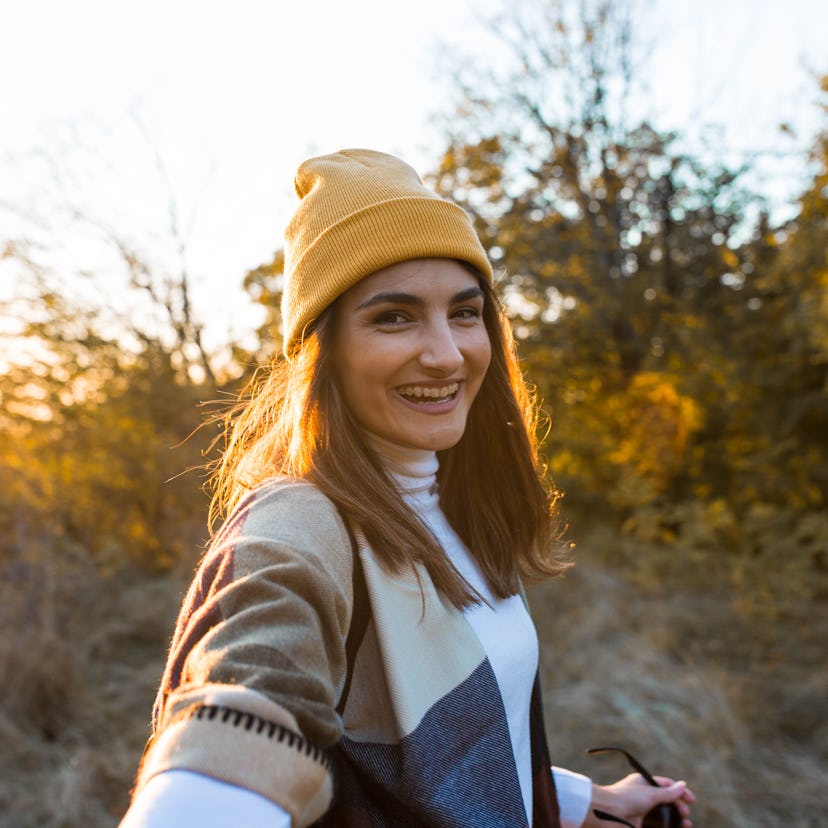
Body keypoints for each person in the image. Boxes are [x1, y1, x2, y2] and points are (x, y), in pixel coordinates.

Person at [120, 149, 695, 828]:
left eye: (464, 312)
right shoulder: (296, 526)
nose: (447, 353)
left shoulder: (453, 504)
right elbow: (236, 722)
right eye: (394, 317)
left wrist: (584, 804)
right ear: (323, 351)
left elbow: (445, 747)